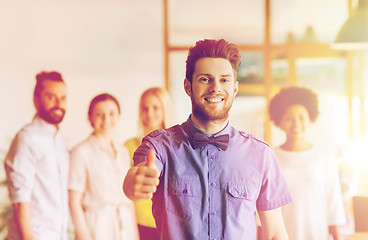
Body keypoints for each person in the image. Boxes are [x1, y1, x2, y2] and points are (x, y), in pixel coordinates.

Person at [123, 39, 293, 240]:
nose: (215, 88)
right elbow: (138, 175)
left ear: (235, 89)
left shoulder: (261, 154)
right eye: (205, 79)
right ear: (188, 87)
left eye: (224, 80)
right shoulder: (159, 145)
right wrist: (134, 182)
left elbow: (275, 233)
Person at [268, 86, 345, 240]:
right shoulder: (270, 157)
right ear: (279, 121)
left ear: (310, 119)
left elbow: (333, 204)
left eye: (302, 117)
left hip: (317, 234)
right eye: (289, 118)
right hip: (283, 235)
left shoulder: (324, 156)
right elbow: (266, 207)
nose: (296, 123)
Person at [4, 71, 69, 240]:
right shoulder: (26, 138)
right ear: (36, 100)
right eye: (51, 97)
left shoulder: (61, 140)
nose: (58, 103)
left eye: (63, 98)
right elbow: (20, 201)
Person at [68, 93, 139, 240]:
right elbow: (74, 202)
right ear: (90, 118)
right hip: (97, 227)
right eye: (99, 114)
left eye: (111, 113)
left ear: (118, 116)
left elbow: (129, 199)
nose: (106, 119)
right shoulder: (81, 152)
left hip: (125, 226)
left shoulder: (123, 151)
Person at [124, 87, 171, 240]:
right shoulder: (128, 146)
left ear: (164, 109)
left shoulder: (178, 145)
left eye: (155, 107)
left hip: (171, 224)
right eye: (145, 108)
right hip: (140, 225)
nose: (149, 113)